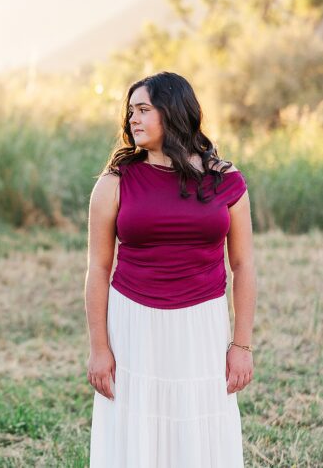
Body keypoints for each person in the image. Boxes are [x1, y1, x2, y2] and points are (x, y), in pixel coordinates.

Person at [86, 71, 256, 467]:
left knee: (196, 427)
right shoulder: (114, 183)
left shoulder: (225, 180)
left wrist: (241, 346)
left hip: (203, 325)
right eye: (131, 111)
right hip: (134, 325)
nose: (133, 119)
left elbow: (244, 265)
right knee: (137, 426)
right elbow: (97, 267)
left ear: (173, 112)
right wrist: (99, 349)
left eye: (144, 109)